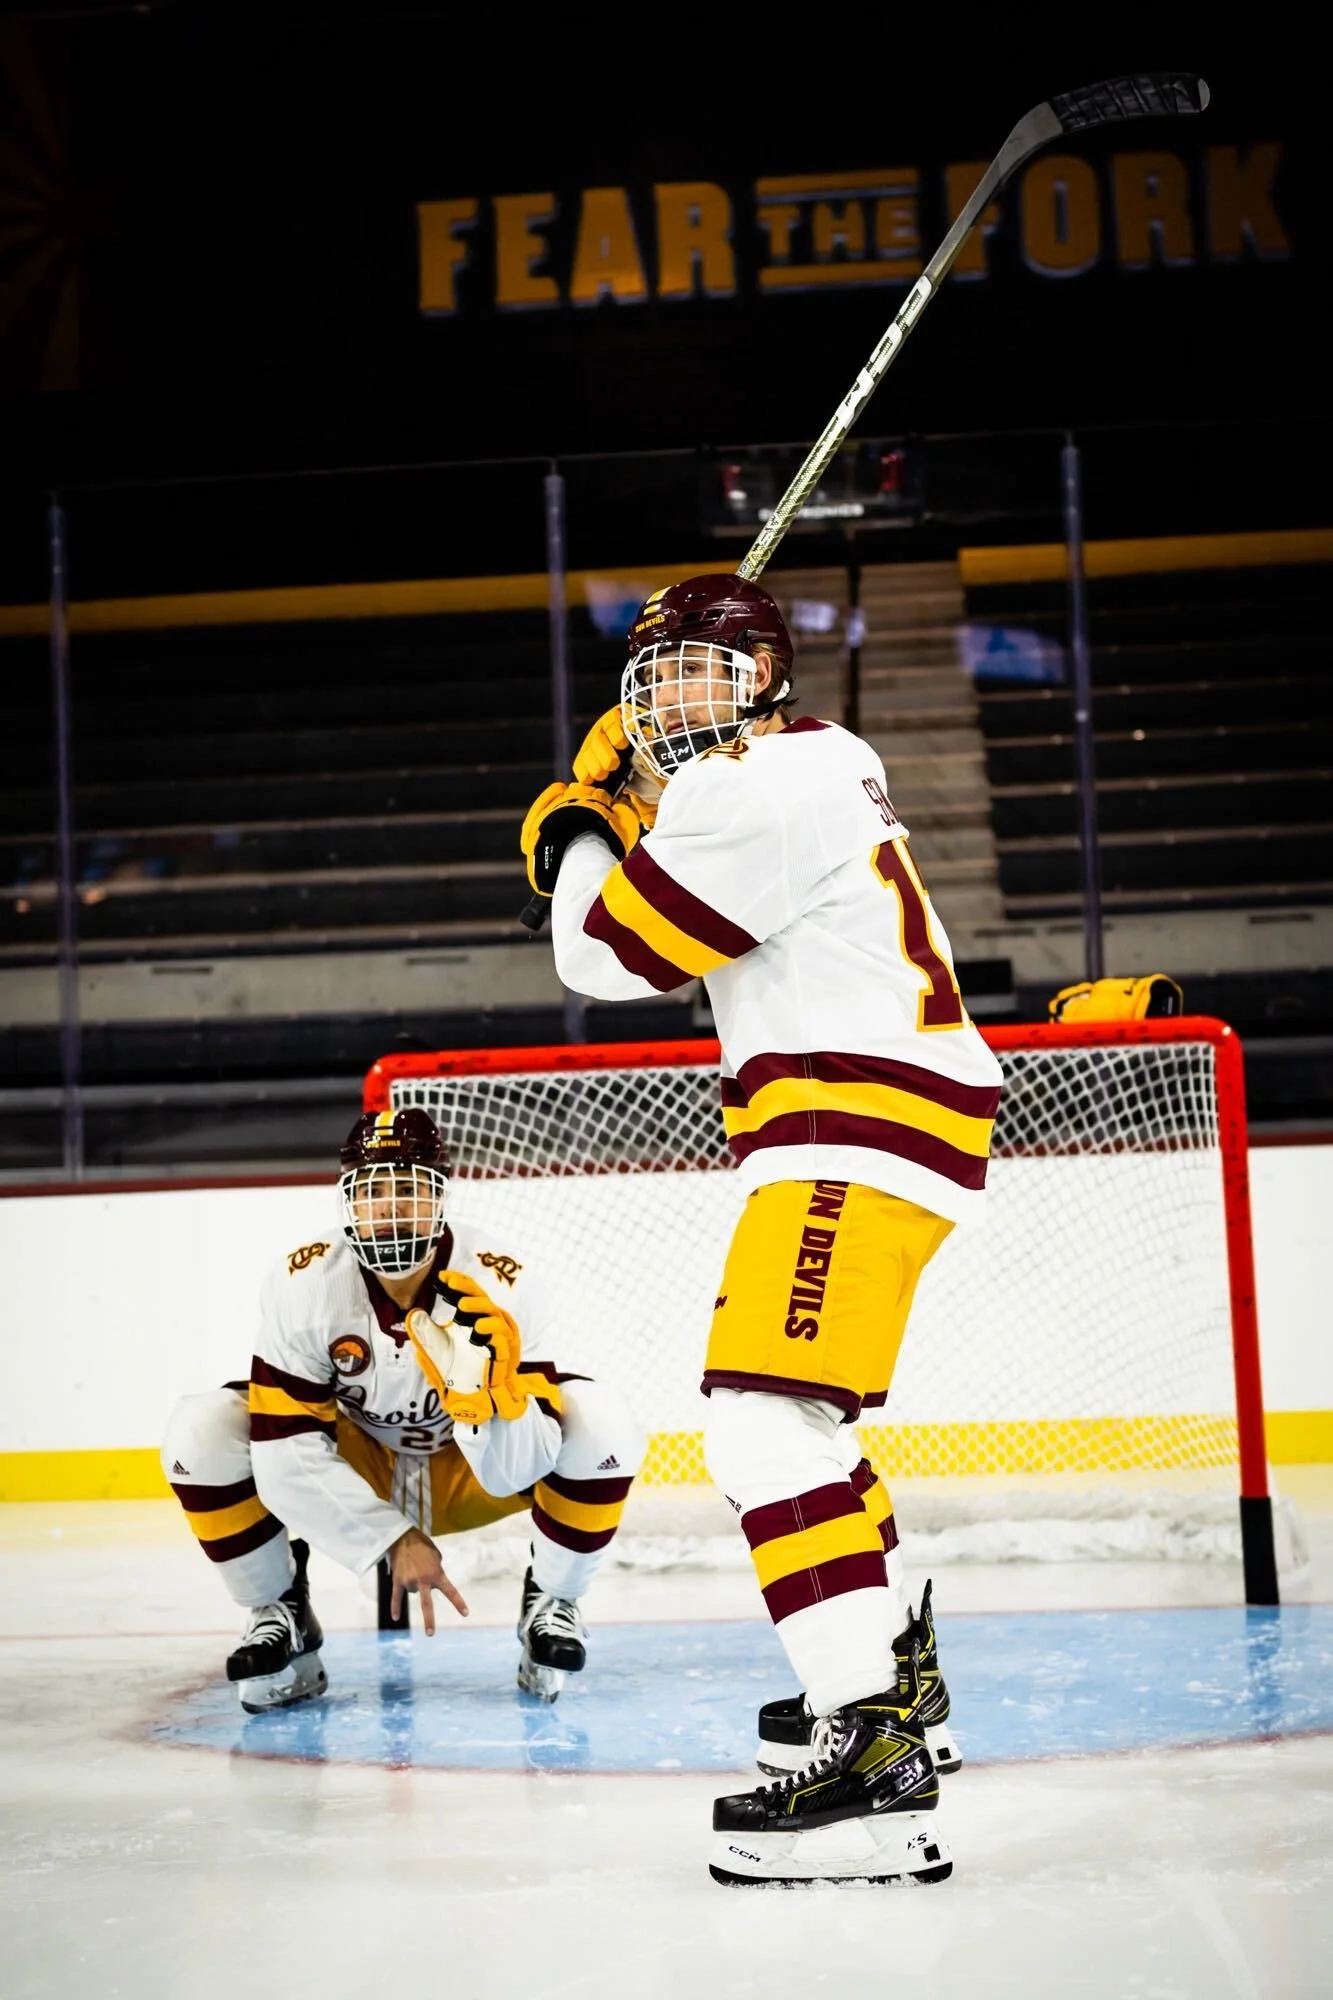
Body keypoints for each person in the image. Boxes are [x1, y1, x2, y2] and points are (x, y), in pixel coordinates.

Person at [520, 574, 1002, 1886]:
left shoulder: (752, 789)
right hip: (889, 1124)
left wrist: (579, 825)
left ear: (768, 681)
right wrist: (648, 809)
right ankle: (897, 1694)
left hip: (852, 1128)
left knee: (758, 1424)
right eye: (658, 674)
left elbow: (605, 957)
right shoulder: (822, 761)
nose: (677, 694)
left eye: (705, 673)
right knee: (806, 1427)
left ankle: (872, 1752)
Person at [161, 1107, 644, 1712]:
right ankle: (280, 1612)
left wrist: (481, 1404)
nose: (390, 1208)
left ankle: (552, 1603)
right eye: (373, 1192)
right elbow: (285, 1453)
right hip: (357, 1463)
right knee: (200, 1429)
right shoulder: (303, 1284)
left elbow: (517, 1470)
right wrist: (392, 1539)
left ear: (441, 1197)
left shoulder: (506, 1284)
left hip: (468, 1471)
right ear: (349, 1204)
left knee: (603, 1419)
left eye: (410, 1188)